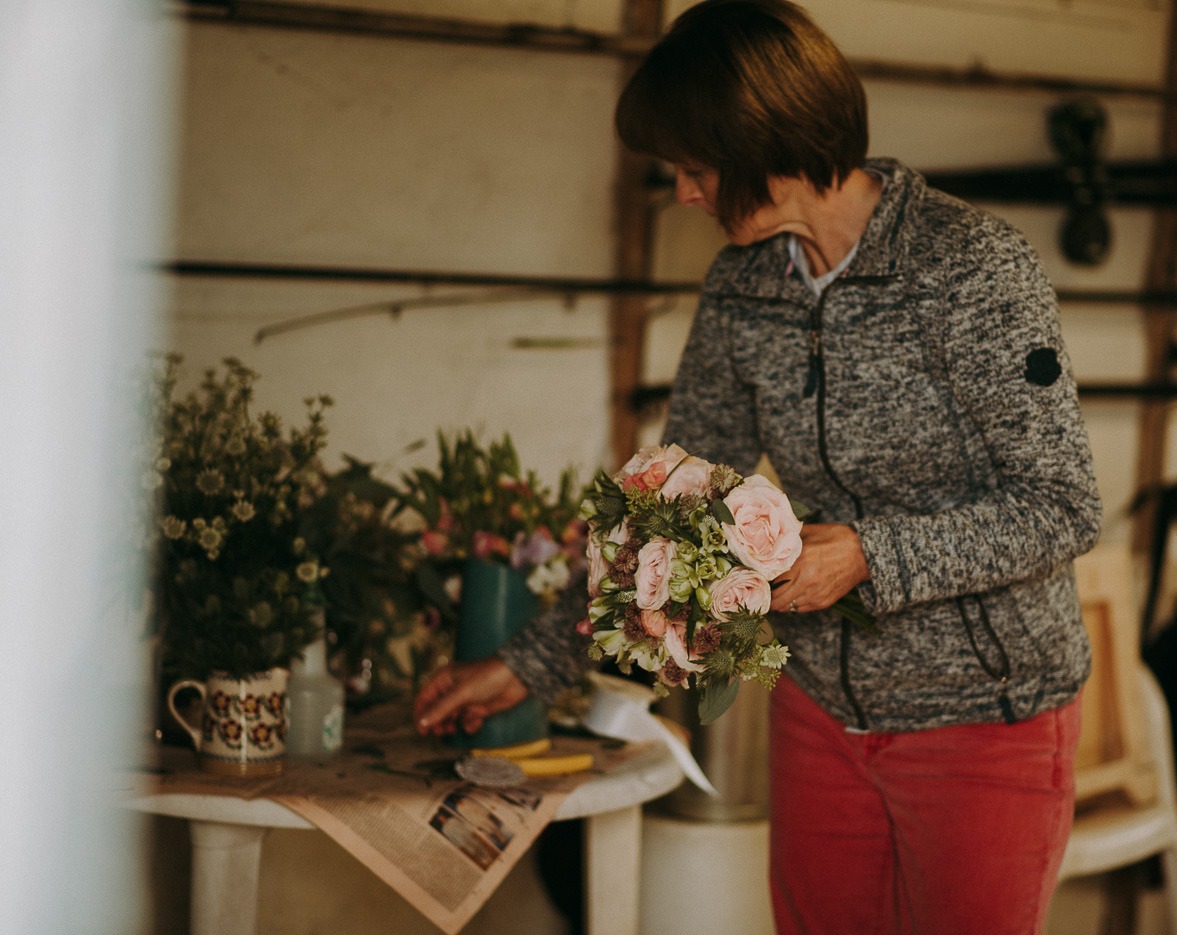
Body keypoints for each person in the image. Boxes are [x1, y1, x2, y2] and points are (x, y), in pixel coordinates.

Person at [414, 2, 1102, 932]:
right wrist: (534, 663)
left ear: (764, 147)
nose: (685, 194)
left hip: (984, 721)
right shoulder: (741, 288)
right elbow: (677, 502)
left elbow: (1060, 506)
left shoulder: (970, 268)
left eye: (697, 169)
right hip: (819, 711)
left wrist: (865, 554)